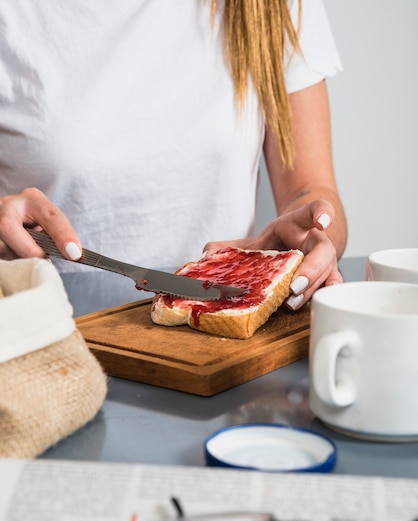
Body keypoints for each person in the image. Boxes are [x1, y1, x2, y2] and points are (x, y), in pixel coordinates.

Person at [0, 0, 347, 310]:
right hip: (37, 334)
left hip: (220, 351)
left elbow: (311, 188)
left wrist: (312, 241)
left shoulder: (271, 6)